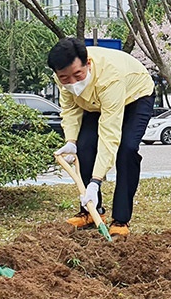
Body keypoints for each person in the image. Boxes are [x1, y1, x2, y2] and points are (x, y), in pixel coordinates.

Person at [48, 38, 155, 237]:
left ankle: (121, 220)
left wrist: (96, 180)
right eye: (64, 78)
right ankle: (91, 211)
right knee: (85, 146)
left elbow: (109, 133)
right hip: (95, 102)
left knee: (126, 150)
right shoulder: (62, 77)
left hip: (135, 96)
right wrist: (71, 141)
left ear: (88, 63)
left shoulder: (110, 76)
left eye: (78, 75)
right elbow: (70, 109)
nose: (72, 82)